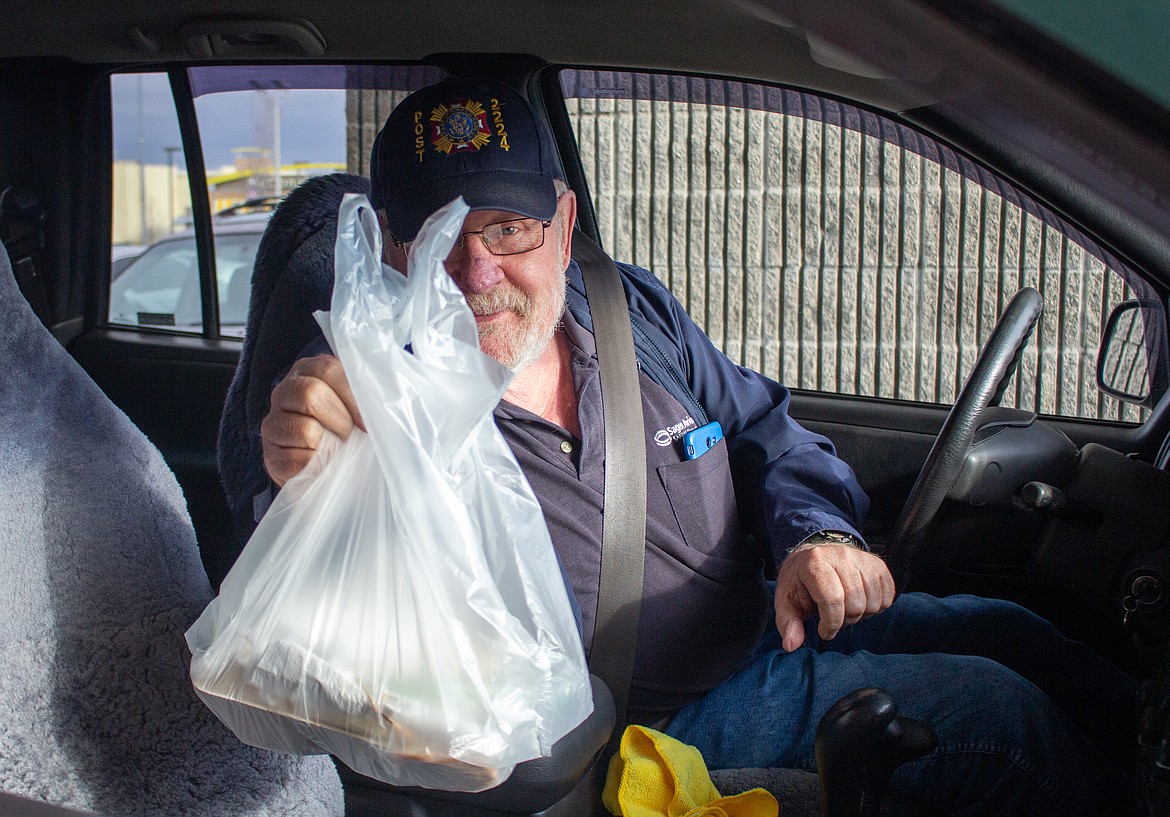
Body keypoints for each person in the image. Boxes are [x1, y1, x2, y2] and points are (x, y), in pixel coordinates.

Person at [253, 76, 1138, 815]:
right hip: (653, 717)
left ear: (561, 227)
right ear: (395, 258)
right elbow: (319, 606)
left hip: (764, 619)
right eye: (438, 237)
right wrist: (300, 467)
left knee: (1010, 629)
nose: (477, 274)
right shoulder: (374, 391)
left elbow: (759, 425)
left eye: (508, 230)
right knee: (1004, 718)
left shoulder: (625, 308)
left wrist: (813, 537)